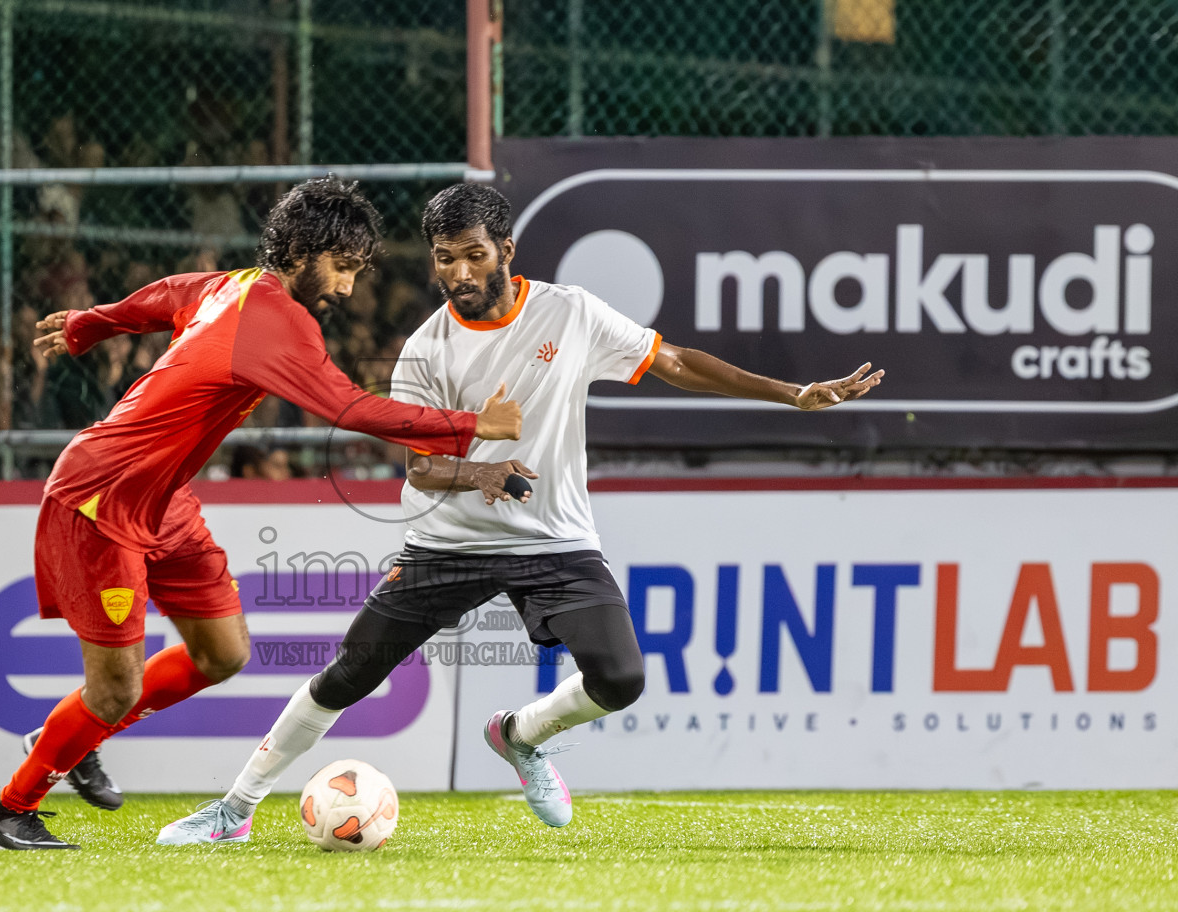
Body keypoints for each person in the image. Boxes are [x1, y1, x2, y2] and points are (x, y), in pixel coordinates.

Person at [156, 182, 885, 845]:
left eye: (474, 255)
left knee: (621, 678)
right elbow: (420, 467)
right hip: (451, 543)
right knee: (350, 671)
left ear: (506, 250)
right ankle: (235, 809)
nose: (461, 274)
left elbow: (675, 362)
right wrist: (481, 471)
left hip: (556, 538)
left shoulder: (570, 313)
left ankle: (519, 735)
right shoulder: (425, 349)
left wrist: (793, 393)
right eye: (445, 259)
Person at [0, 177, 523, 851]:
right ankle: (11, 812)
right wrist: (472, 424)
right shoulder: (277, 321)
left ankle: (74, 729)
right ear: (301, 249)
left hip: (161, 501)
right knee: (113, 690)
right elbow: (351, 409)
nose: (349, 289)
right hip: (101, 498)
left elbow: (165, 295)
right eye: (343, 268)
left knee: (222, 653)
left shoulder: (235, 285)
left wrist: (94, 322)